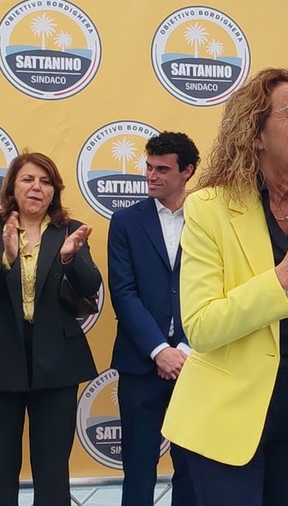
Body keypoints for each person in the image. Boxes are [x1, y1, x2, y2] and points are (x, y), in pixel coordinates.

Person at [161, 67, 288, 506]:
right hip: (224, 420)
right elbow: (201, 326)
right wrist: (283, 277)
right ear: (256, 134)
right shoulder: (208, 208)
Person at [0, 151, 100, 506]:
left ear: (55, 191)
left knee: (52, 469)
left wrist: (70, 257)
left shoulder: (69, 230)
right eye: (28, 179)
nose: (37, 188)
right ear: (12, 187)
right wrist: (6, 258)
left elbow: (91, 286)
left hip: (56, 362)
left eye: (45, 182)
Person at [108, 131, 200, 506]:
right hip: (140, 364)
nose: (151, 175)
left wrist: (186, 349)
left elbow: (218, 290)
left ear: (187, 171)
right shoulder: (125, 222)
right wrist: (160, 350)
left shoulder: (208, 219)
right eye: (148, 167)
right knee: (138, 470)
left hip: (197, 363)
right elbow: (123, 293)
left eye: (162, 169)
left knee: (192, 469)